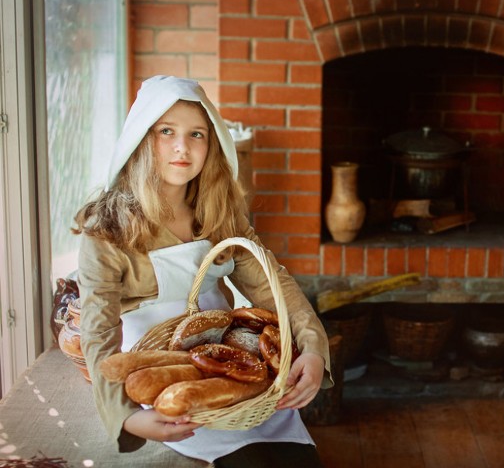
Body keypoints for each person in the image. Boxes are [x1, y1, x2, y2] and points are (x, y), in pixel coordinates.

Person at [73, 75, 331, 467]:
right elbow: (99, 331)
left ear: (212, 145)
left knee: (297, 459)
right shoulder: (107, 229)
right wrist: (128, 415)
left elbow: (270, 283)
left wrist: (313, 348)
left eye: (197, 134)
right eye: (166, 132)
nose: (182, 147)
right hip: (159, 367)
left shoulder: (219, 212)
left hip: (227, 356)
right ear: (141, 139)